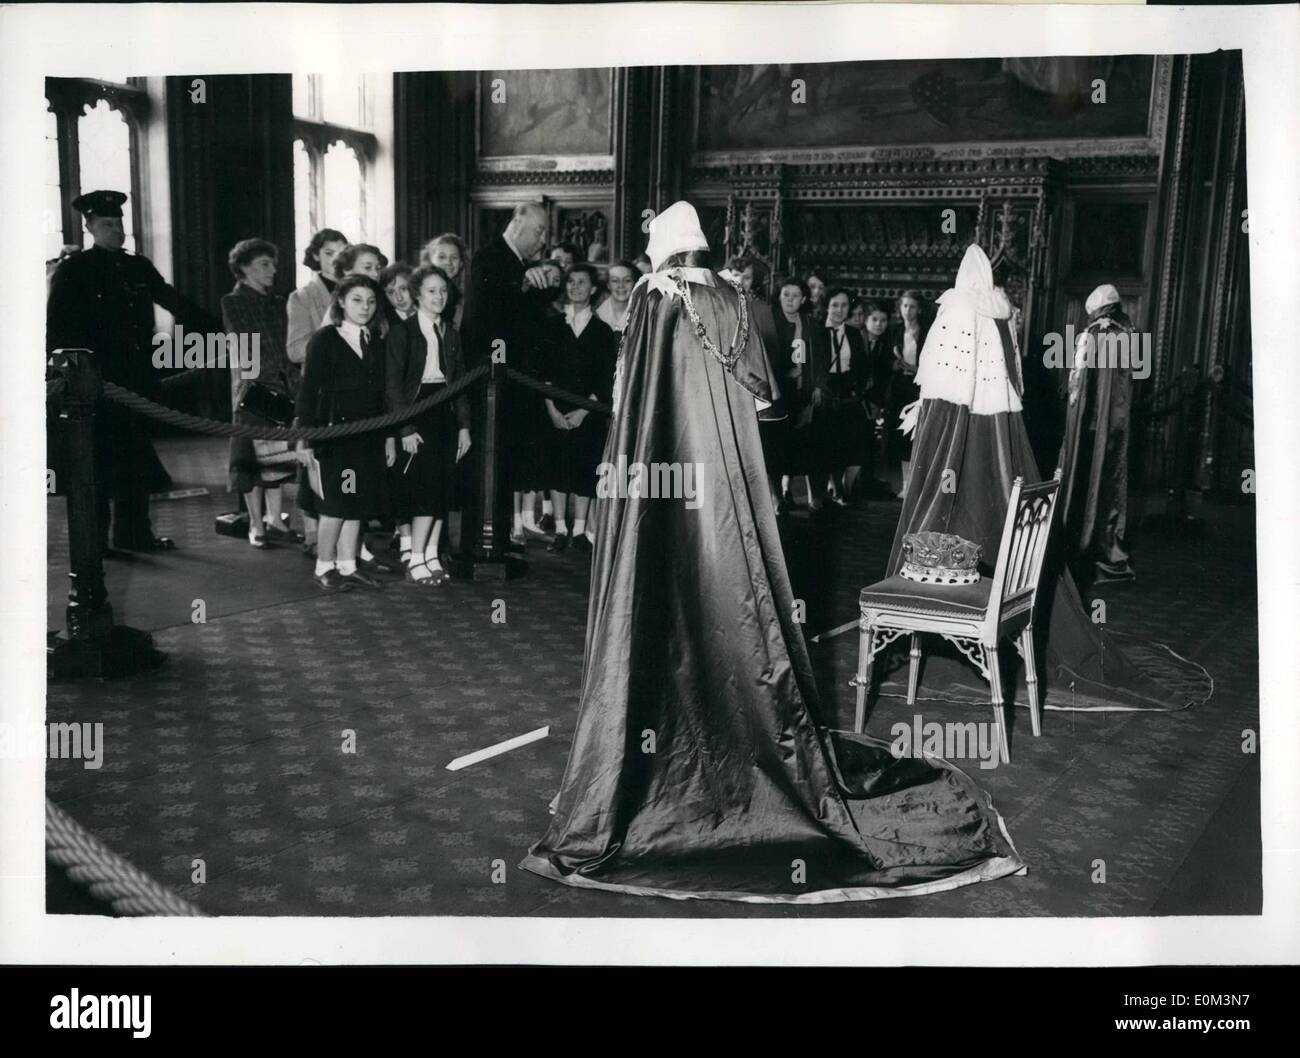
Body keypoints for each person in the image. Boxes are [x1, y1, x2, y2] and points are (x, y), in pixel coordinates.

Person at [520, 202, 1023, 903]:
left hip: (665, 499)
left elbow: (639, 415)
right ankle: (737, 759)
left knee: (663, 618)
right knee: (737, 615)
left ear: (662, 250)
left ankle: (644, 784)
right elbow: (763, 401)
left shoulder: (657, 298)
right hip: (727, 495)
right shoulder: (732, 297)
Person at [886, 244, 1199, 713]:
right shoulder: (1001, 314)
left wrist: (924, 425)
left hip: (964, 438)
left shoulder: (961, 310)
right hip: (999, 437)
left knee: (944, 529)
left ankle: (922, 628)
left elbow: (945, 392)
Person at [46, 189, 218, 553]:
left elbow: (174, 302)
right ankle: (95, 544)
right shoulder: (74, 270)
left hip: (137, 382)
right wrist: (62, 375)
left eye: (119, 222)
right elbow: (57, 327)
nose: (115, 229)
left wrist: (219, 332)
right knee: (96, 466)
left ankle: (134, 533)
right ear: (89, 226)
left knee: (136, 460)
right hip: (95, 384)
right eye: (106, 223)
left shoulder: (138, 266)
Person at [459, 202, 557, 557]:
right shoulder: (492, 258)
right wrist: (526, 287)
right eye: (539, 230)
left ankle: (498, 539)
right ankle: (482, 542)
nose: (543, 239)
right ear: (517, 223)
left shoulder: (516, 262)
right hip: (490, 378)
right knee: (489, 462)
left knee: (502, 461)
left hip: (507, 379)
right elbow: (490, 318)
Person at [295, 275, 392, 592]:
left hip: (368, 437)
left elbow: (382, 396)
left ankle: (348, 566)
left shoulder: (375, 340)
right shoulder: (325, 339)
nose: (365, 307)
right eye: (356, 300)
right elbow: (308, 392)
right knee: (335, 505)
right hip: (334, 437)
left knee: (357, 503)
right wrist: (305, 438)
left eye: (370, 301)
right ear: (340, 302)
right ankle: (324, 566)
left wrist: (388, 436)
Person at [385, 264, 472, 585]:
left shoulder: (450, 333)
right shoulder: (402, 333)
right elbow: (393, 388)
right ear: (417, 295)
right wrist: (405, 428)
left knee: (441, 489)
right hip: (416, 413)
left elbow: (459, 383)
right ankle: (417, 558)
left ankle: (432, 554)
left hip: (444, 415)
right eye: (432, 291)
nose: (439, 296)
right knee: (423, 491)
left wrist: (464, 426)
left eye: (444, 291)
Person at [1058, 283, 1137, 585]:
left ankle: (1079, 541)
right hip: (1115, 426)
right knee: (1108, 482)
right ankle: (1105, 544)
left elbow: (1076, 387)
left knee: (1084, 480)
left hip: (1088, 427)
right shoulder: (1130, 334)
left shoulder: (1090, 336)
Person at [536, 263, 617, 554]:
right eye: (570, 282)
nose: (574, 287)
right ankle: (560, 528)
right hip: (555, 409)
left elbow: (606, 375)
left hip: (588, 412)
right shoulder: (552, 325)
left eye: (581, 283)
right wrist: (552, 410)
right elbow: (542, 371)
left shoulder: (603, 331)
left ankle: (581, 530)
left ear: (593, 289)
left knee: (584, 470)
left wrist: (585, 411)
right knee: (556, 468)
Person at [221, 238, 295, 548]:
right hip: (254, 391)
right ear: (244, 269)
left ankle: (276, 520)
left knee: (278, 458)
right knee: (250, 462)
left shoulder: (279, 302)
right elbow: (248, 345)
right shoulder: (233, 302)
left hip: (284, 387)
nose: (273, 270)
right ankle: (256, 524)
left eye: (273, 264)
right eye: (264, 264)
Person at [287, 228, 348, 560]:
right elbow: (295, 349)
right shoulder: (302, 297)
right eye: (328, 252)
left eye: (342, 251)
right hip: (320, 393)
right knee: (315, 466)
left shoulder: (359, 293)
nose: (336, 259)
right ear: (315, 257)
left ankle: (350, 542)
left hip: (351, 396)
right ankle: (313, 535)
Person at [814, 287, 871, 505]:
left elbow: (862, 366)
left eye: (845, 305)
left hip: (847, 391)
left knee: (846, 442)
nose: (840, 310)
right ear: (827, 306)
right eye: (835, 305)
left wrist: (859, 387)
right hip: (824, 388)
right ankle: (821, 493)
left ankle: (838, 489)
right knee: (823, 443)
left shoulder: (855, 333)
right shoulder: (815, 330)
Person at [772, 277, 818, 510]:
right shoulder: (770, 321)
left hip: (801, 393)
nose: (790, 300)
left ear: (804, 299)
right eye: (785, 294)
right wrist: (784, 374)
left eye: (795, 296)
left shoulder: (809, 324)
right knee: (776, 447)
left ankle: (789, 490)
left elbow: (816, 360)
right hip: (777, 392)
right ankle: (777, 497)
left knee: (797, 446)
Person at [885, 289, 930, 499]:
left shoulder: (927, 331)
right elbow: (884, 359)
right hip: (899, 388)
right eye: (904, 306)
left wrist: (917, 369)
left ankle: (918, 486)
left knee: (918, 436)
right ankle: (905, 485)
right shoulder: (894, 330)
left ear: (919, 309)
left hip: (919, 388)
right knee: (902, 437)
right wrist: (894, 365)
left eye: (912, 306)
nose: (908, 311)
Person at [419, 233, 468, 329]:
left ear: (461, 263)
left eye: (454, 257)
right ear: (430, 260)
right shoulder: (418, 290)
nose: (448, 262)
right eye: (442, 257)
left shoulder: (465, 296)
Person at [594, 259, 636, 333]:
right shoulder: (596, 315)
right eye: (615, 281)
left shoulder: (641, 313)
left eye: (627, 280)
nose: (621, 285)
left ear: (634, 283)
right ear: (608, 284)